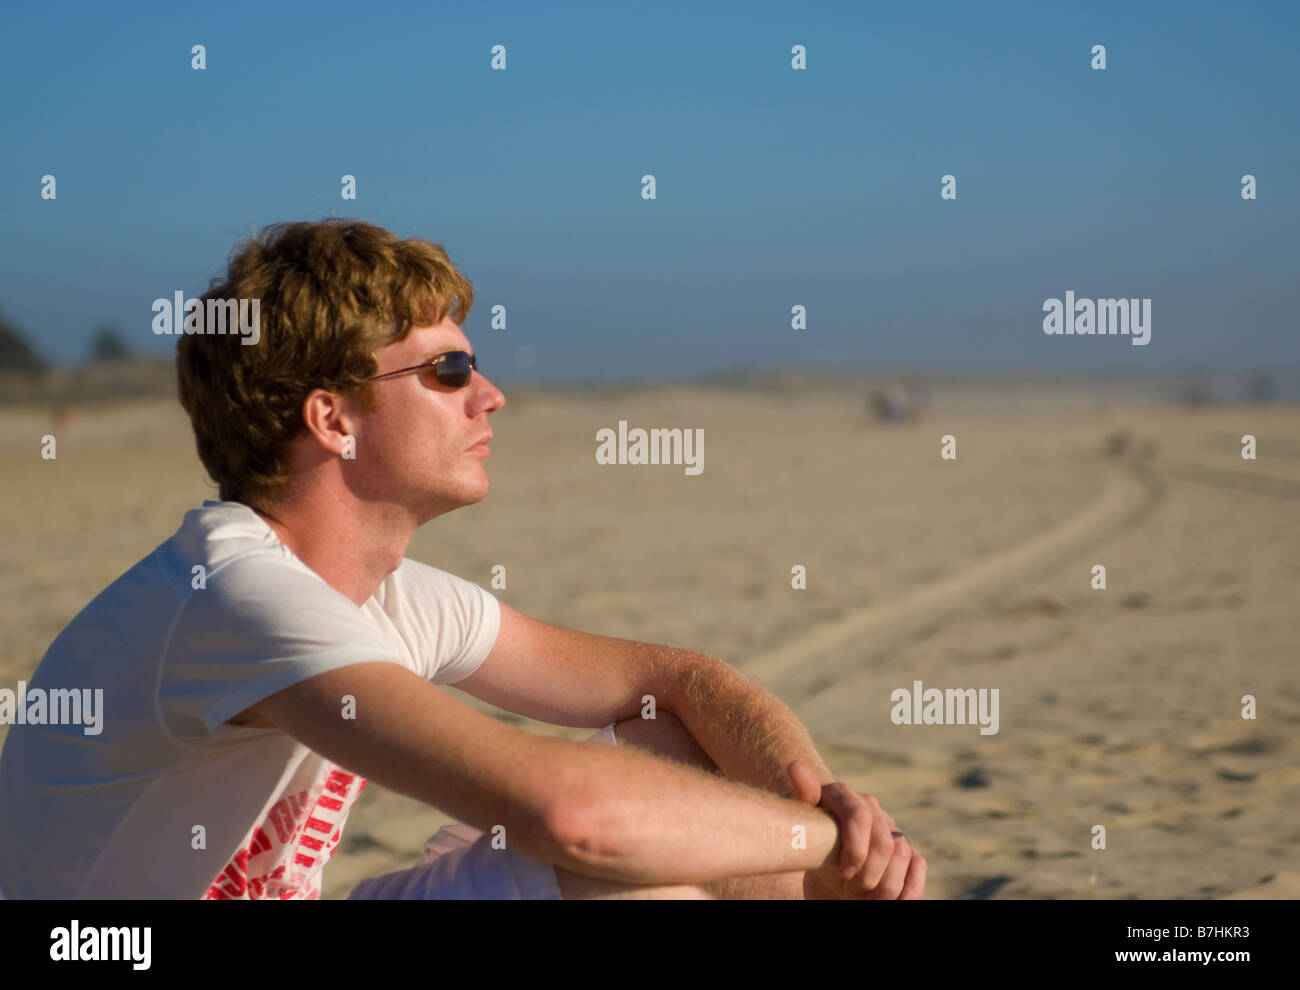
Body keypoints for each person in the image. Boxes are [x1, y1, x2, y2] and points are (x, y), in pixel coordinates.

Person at [0, 219, 925, 900]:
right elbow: (576, 819)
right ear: (332, 418)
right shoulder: (233, 595)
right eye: (446, 371)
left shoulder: (382, 592)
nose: (491, 395)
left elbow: (675, 680)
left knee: (667, 760)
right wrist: (816, 839)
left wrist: (839, 834)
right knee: (628, 861)